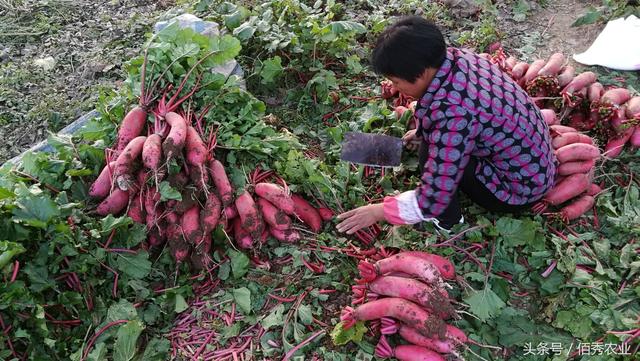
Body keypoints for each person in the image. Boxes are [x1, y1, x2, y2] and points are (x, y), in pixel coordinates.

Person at [336, 16, 557, 234]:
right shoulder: (458, 59)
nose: (395, 86)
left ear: (421, 74)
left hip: (517, 191)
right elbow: (443, 111)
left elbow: (434, 196)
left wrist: (379, 211)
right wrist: (423, 132)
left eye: (396, 82)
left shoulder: (453, 114)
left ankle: (448, 220)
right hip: (531, 165)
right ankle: (362, 149)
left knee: (431, 153)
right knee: (429, 141)